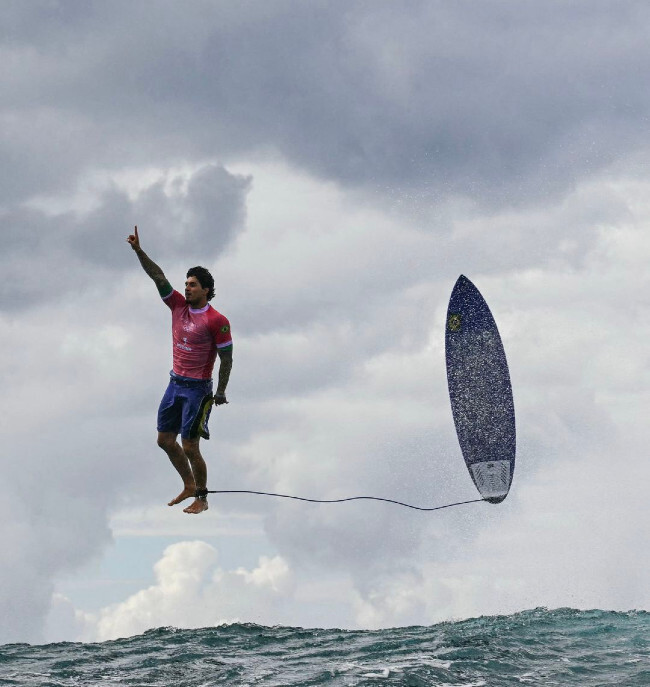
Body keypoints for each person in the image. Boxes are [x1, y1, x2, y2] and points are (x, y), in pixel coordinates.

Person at [126, 225, 233, 514]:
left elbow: (227, 358)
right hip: (175, 383)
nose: (187, 288)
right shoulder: (177, 306)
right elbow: (158, 276)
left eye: (193, 285)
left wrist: (220, 391)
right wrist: (138, 251)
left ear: (206, 290)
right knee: (164, 440)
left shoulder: (216, 320)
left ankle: (202, 497)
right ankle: (188, 484)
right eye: (186, 284)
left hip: (198, 390)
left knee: (190, 446)